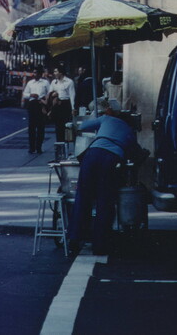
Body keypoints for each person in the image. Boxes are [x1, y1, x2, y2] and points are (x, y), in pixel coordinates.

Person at [67, 98, 142, 256]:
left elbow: (83, 126)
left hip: (92, 153)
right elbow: (135, 153)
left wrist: (99, 126)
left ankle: (74, 238)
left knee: (83, 196)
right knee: (105, 200)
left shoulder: (105, 119)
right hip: (111, 158)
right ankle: (99, 245)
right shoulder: (129, 131)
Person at [21, 67, 50, 154]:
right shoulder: (30, 83)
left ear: (40, 74)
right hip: (32, 104)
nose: (34, 74)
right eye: (33, 73)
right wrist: (31, 95)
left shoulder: (45, 83)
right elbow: (24, 94)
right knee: (31, 127)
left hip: (40, 104)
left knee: (40, 127)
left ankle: (39, 147)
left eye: (36, 73)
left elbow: (49, 93)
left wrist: (44, 100)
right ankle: (31, 147)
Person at [49, 67, 75, 141]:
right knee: (58, 127)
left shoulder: (69, 82)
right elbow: (50, 93)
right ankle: (59, 145)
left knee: (66, 127)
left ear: (61, 72)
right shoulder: (54, 82)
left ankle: (65, 146)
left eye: (55, 71)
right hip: (57, 105)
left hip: (65, 104)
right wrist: (53, 94)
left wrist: (73, 108)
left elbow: (72, 96)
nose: (54, 73)